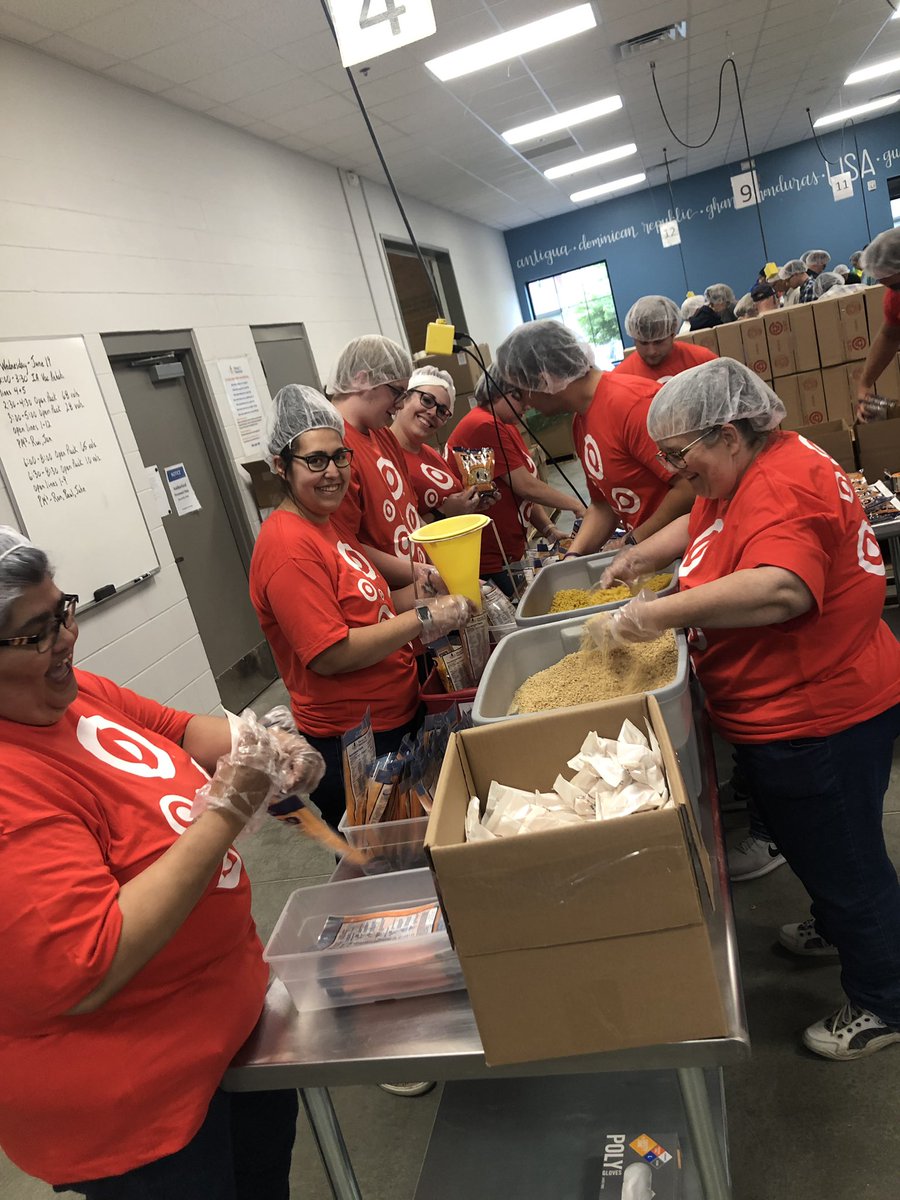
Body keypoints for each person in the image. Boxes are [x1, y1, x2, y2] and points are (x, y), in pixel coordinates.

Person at [0, 526, 326, 1195]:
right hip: (139, 1108)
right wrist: (229, 808)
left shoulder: (73, 692)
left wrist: (268, 746)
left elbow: (175, 729)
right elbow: (90, 964)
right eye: (37, 633)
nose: (67, 639)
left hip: (229, 1025)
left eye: (63, 612)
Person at [595, 358, 900, 1061]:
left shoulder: (783, 483)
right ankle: (834, 922)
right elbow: (705, 523)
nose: (676, 473)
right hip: (795, 706)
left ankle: (884, 998)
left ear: (728, 433)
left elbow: (782, 589)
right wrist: (641, 557)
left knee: (850, 865)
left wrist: (656, 616)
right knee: (821, 850)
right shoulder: (751, 464)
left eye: (681, 456)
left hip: (819, 712)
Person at [249, 385, 471, 826]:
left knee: (415, 842)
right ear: (280, 466)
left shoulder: (327, 526)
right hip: (354, 736)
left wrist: (427, 593)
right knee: (381, 858)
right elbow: (331, 653)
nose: (332, 472)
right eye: (315, 460)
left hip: (396, 713)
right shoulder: (287, 547)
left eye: (340, 456)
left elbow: (371, 607)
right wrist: (423, 617)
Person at [494, 320, 694, 557]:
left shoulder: (631, 405)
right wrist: (572, 557)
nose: (525, 403)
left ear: (543, 379)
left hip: (686, 550)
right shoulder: (581, 421)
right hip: (652, 554)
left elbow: (688, 486)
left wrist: (635, 541)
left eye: (521, 390)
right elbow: (603, 505)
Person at [449, 371, 586, 594]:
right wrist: (577, 506)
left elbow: (519, 489)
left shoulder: (505, 424)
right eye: (520, 397)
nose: (528, 405)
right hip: (490, 557)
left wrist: (548, 529)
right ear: (499, 393)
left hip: (509, 550)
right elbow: (526, 486)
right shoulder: (482, 425)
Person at [326, 335, 423, 582]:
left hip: (420, 582)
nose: (400, 406)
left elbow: (408, 511)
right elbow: (348, 544)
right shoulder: (335, 447)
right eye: (398, 392)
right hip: (390, 598)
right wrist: (424, 573)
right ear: (362, 379)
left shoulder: (382, 434)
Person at [387, 365, 491, 520]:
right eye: (427, 400)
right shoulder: (385, 456)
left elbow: (451, 506)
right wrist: (444, 513)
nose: (433, 413)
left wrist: (471, 503)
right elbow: (399, 529)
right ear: (404, 398)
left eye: (442, 411)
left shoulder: (431, 455)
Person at [613, 295, 717, 382]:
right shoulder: (621, 378)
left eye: (659, 342)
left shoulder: (703, 361)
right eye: (643, 343)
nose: (651, 351)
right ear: (634, 339)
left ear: (672, 334)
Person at [856, 229, 900, 417]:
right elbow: (889, 336)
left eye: (897, 285)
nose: (895, 291)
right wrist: (865, 384)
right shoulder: (895, 299)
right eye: (889, 286)